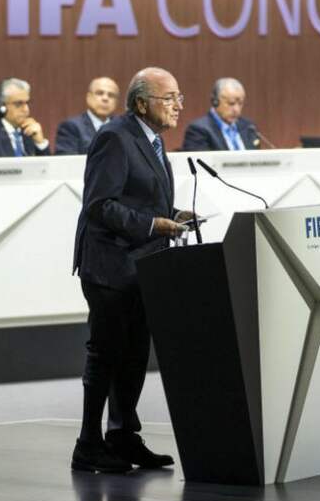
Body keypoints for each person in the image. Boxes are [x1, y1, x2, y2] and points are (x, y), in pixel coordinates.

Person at [71, 67, 190, 473]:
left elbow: (137, 199)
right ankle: (88, 445)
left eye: (179, 97)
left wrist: (171, 215)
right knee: (106, 355)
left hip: (144, 267)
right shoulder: (114, 138)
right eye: (169, 98)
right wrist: (153, 224)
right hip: (110, 267)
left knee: (135, 355)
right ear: (142, 103)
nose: (177, 105)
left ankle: (122, 437)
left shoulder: (152, 140)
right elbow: (100, 205)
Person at [182, 78, 259, 151]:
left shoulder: (249, 127)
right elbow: (199, 163)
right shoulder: (198, 130)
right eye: (231, 103)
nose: (236, 109)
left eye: (240, 103)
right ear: (215, 102)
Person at [54, 77, 120, 155]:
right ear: (88, 97)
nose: (105, 98)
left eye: (111, 95)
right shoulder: (71, 127)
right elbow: (67, 163)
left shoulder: (123, 127)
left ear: (116, 102)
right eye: (99, 93)